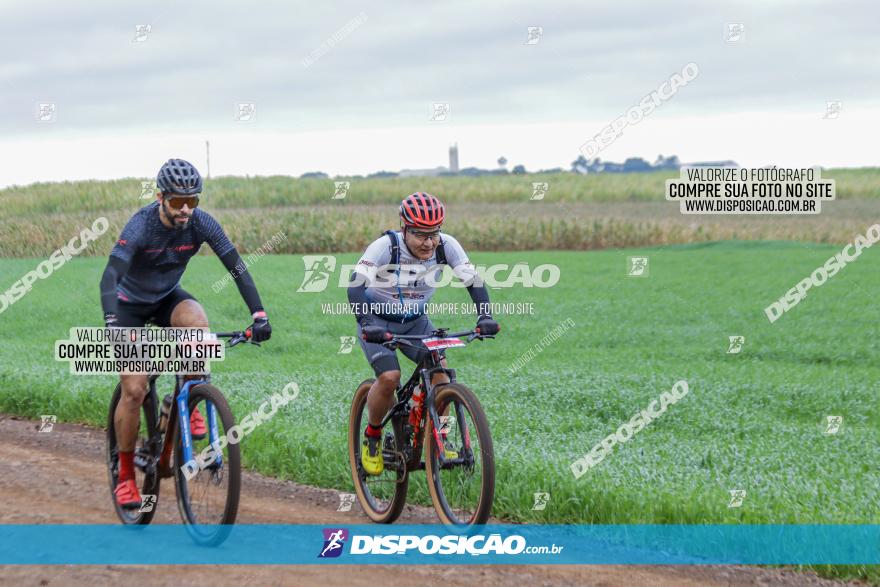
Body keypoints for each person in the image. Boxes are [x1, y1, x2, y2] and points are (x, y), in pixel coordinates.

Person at [100, 158, 272, 508]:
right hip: (128, 307)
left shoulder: (201, 223)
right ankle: (126, 476)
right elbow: (108, 277)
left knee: (196, 320)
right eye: (177, 201)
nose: (185, 209)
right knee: (134, 388)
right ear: (160, 196)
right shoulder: (141, 226)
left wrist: (258, 314)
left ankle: (189, 398)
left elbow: (237, 268)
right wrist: (112, 324)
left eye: (192, 201)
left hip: (166, 299)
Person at [347, 192, 499, 475]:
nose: (429, 243)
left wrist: (485, 315)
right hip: (378, 322)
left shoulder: (447, 246)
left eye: (434, 234)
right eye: (420, 235)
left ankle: (438, 438)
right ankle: (373, 436)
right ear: (404, 228)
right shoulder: (384, 247)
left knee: (441, 376)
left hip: (416, 322)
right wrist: (367, 323)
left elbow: (473, 282)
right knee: (390, 378)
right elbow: (354, 288)